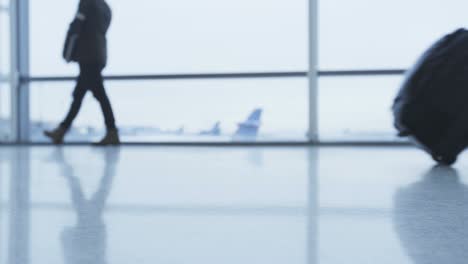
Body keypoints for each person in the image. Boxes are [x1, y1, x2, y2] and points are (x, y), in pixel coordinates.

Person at [45, 0, 119, 145]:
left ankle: (112, 131)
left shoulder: (88, 3)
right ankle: (62, 130)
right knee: (80, 95)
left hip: (87, 54)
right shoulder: (105, 7)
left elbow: (76, 28)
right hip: (98, 53)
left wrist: (67, 53)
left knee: (98, 94)